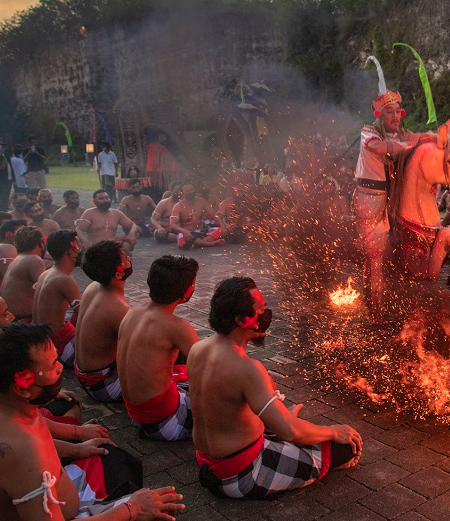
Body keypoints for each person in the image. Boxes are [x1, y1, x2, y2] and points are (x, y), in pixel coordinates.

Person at [0, 322, 183, 520]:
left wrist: (78, 448)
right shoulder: (21, 451)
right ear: (22, 387)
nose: (60, 367)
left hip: (60, 496)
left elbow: (39, 433)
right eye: (52, 366)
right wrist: (131, 509)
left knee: (112, 456)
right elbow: (31, 455)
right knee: (158, 513)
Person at [190, 277, 362, 499]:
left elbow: (229, 408)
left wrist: (279, 421)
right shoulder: (247, 368)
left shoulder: (197, 348)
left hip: (210, 463)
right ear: (242, 320)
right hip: (242, 474)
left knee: (292, 427)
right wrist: (334, 431)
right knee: (345, 448)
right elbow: (290, 431)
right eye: (260, 310)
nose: (266, 314)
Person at [353, 88, 432, 299]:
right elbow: (379, 148)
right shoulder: (368, 132)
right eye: (389, 112)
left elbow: (422, 138)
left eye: (398, 111)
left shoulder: (402, 135)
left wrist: (436, 139)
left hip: (393, 198)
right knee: (374, 255)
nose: (395, 116)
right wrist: (409, 144)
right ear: (379, 114)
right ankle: (374, 304)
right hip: (370, 198)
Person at [119, 256, 199, 441]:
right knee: (231, 396)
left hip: (138, 415)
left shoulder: (133, 312)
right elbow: (208, 369)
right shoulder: (177, 327)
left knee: (182, 367)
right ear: (187, 291)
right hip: (166, 422)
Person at [75, 241, 131, 403]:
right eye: (125, 260)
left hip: (87, 378)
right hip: (104, 386)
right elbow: (139, 351)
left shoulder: (93, 287)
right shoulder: (117, 307)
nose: (129, 259)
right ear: (118, 273)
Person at [32, 230, 82, 364]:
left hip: (42, 338)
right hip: (56, 346)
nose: (81, 250)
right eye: (79, 246)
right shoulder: (64, 279)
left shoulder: (46, 273)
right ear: (71, 251)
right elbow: (84, 316)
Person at [0, 226, 47, 320]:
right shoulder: (34, 259)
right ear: (41, 242)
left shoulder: (18, 258)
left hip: (11, 318)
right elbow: (47, 290)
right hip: (22, 321)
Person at [170, 183, 225, 250]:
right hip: (188, 233)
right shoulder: (178, 206)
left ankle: (197, 244)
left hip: (203, 231)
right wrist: (184, 231)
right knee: (182, 239)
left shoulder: (201, 201)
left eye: (191, 189)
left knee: (222, 230)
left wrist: (222, 225)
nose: (190, 192)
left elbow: (214, 215)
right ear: (182, 193)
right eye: (187, 191)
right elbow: (172, 224)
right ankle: (210, 243)